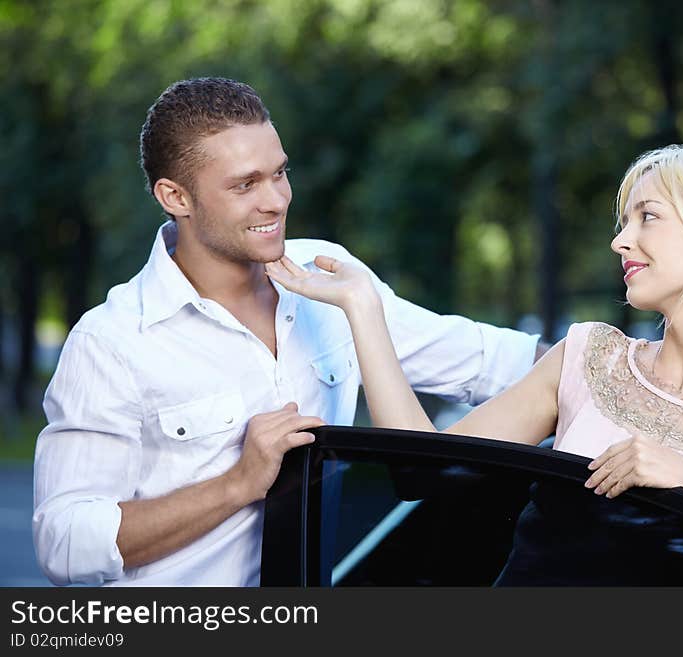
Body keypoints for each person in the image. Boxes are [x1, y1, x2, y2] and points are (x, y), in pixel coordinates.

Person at [32, 77, 543, 586]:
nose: (276, 201)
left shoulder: (330, 280)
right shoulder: (111, 342)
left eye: (280, 173)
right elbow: (65, 543)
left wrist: (617, 359)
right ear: (175, 196)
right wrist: (237, 483)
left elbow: (490, 361)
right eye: (245, 185)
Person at [266, 142, 683, 541]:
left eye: (647, 217)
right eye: (624, 219)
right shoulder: (587, 357)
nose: (620, 240)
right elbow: (423, 473)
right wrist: (363, 309)